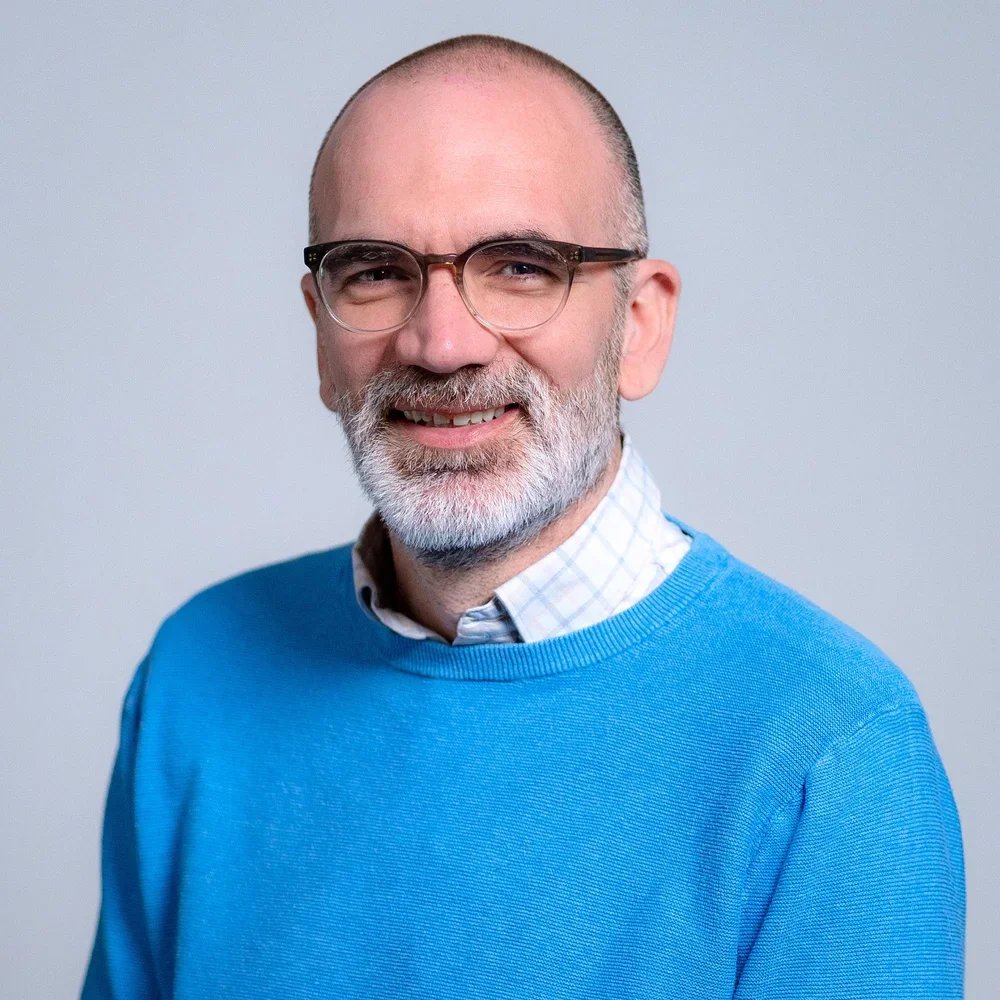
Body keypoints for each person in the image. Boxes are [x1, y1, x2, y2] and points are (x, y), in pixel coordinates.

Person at [82, 34, 965, 999]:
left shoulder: (829, 748)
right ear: (321, 332)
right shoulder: (198, 674)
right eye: (374, 270)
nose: (442, 343)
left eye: (520, 266)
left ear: (639, 324)